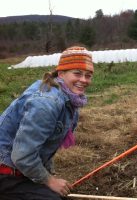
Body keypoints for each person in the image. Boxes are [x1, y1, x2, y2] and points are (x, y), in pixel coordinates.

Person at [0, 46, 94, 199]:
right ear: (61, 73)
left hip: (19, 168)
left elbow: (44, 146)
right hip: (5, 171)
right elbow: (22, 156)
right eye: (77, 73)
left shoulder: (69, 101)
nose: (83, 80)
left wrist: (49, 176)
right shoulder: (46, 104)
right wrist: (49, 181)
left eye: (88, 75)